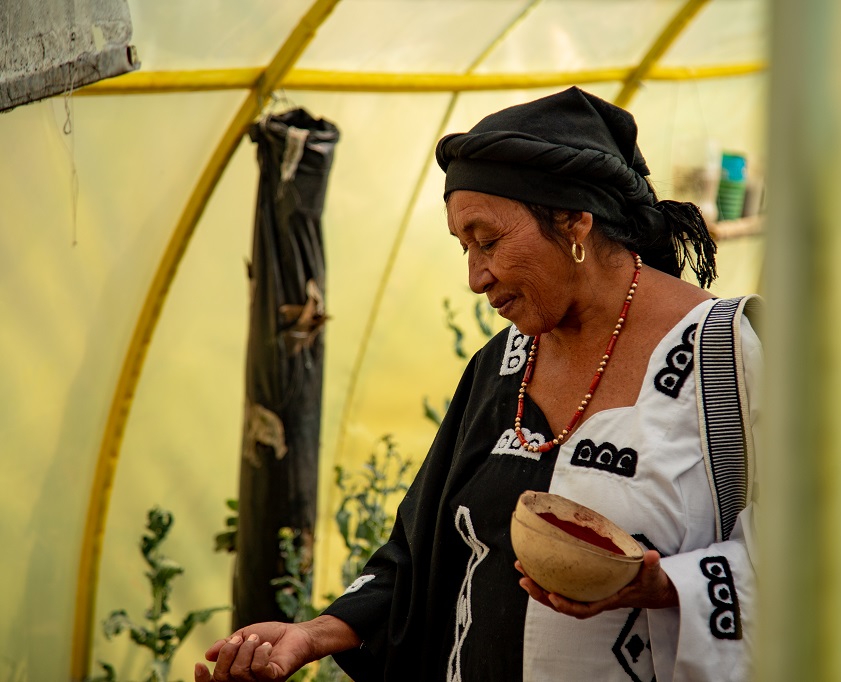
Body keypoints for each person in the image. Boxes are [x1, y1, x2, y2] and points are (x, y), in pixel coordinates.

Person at [195, 86, 761, 682]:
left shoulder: (726, 360)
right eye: (463, 247)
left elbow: (822, 566)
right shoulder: (505, 365)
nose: (474, 276)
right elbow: (423, 555)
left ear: (576, 224)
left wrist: (663, 584)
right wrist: (310, 636)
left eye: (488, 241)